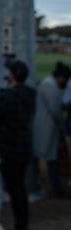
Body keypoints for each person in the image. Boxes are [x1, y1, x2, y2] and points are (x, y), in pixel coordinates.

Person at [0, 59, 34, 230]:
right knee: (19, 186)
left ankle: (20, 227)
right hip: (24, 144)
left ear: (13, 75)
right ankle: (22, 223)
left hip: (9, 146)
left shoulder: (7, 96)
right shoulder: (30, 93)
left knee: (14, 187)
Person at [33, 60, 70, 198]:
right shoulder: (50, 85)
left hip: (45, 127)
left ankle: (55, 187)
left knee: (49, 159)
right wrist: (62, 123)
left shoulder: (48, 83)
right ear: (61, 77)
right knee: (51, 159)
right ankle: (57, 189)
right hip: (46, 127)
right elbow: (55, 110)